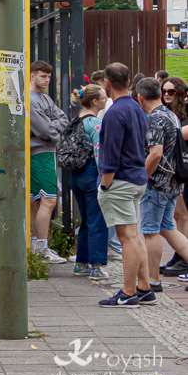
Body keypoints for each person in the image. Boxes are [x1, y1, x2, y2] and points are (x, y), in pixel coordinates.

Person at [97, 62, 151, 307]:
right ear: (129, 81)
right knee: (135, 235)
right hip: (137, 177)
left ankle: (128, 293)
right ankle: (144, 286)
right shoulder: (137, 108)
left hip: (120, 180)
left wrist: (105, 185)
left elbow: (111, 152)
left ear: (107, 83)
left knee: (126, 237)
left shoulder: (115, 112)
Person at [137, 77, 188, 298]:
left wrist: (142, 177)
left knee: (150, 231)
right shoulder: (172, 116)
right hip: (173, 182)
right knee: (168, 227)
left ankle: (152, 280)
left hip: (157, 183)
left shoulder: (156, 119)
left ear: (140, 97)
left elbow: (155, 153)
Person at [28, 61, 70, 264]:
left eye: (48, 77)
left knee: (39, 200)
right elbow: (46, 130)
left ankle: (38, 244)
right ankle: (41, 246)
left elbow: (62, 118)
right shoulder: (32, 100)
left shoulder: (44, 97)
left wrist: (50, 128)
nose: (46, 80)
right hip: (40, 153)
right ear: (32, 76)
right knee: (48, 199)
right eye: (43, 76)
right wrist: (52, 130)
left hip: (43, 150)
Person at [68, 84, 111, 282]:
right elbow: (99, 154)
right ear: (95, 101)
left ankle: (81, 262)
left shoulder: (75, 120)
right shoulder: (96, 123)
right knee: (97, 221)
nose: (106, 99)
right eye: (103, 97)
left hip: (75, 174)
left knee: (85, 219)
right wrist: (105, 179)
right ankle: (97, 265)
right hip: (91, 174)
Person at [162, 76, 188, 276]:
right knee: (178, 214)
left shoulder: (183, 113)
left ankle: (183, 257)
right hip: (173, 167)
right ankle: (180, 255)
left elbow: (180, 133)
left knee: (183, 215)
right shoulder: (167, 112)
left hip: (183, 166)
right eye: (164, 91)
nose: (167, 95)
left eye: (171, 92)